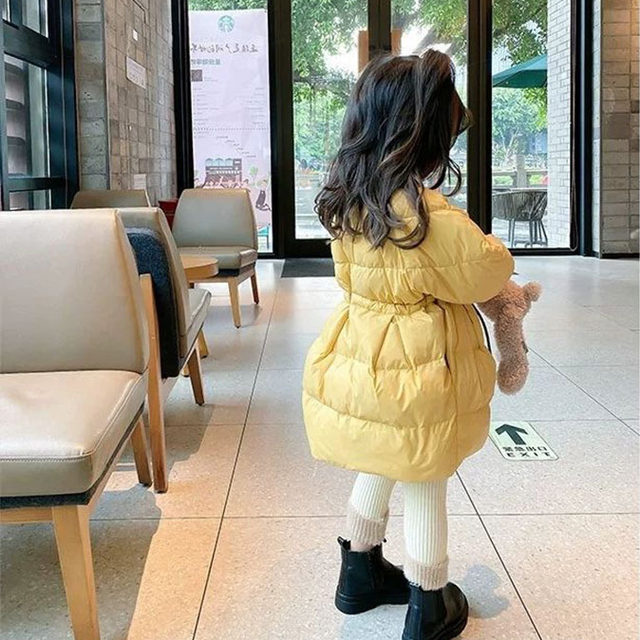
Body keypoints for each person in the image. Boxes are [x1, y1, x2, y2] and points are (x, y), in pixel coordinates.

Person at [302, 50, 514, 640]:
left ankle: (359, 574)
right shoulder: (428, 219)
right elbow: (488, 271)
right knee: (424, 474)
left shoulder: (348, 202)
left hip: (362, 357)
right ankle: (428, 603)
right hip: (418, 372)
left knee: (384, 455)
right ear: (423, 138)